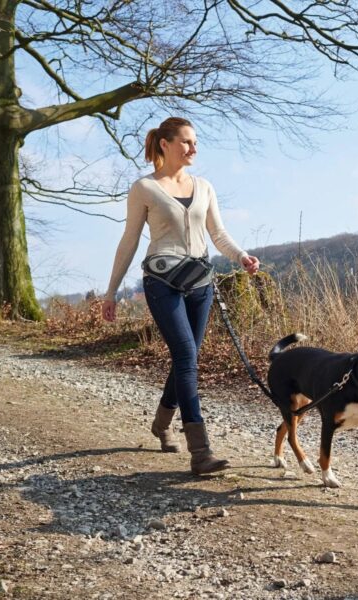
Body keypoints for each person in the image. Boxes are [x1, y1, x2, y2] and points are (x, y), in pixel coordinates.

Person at [102, 116, 260, 475]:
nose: (193, 148)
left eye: (195, 142)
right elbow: (129, 240)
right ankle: (200, 452)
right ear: (165, 144)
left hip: (200, 284)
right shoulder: (144, 188)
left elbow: (218, 233)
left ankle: (161, 424)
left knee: (185, 357)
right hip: (162, 283)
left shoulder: (204, 186)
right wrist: (111, 292)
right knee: (187, 355)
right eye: (186, 142)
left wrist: (241, 256)